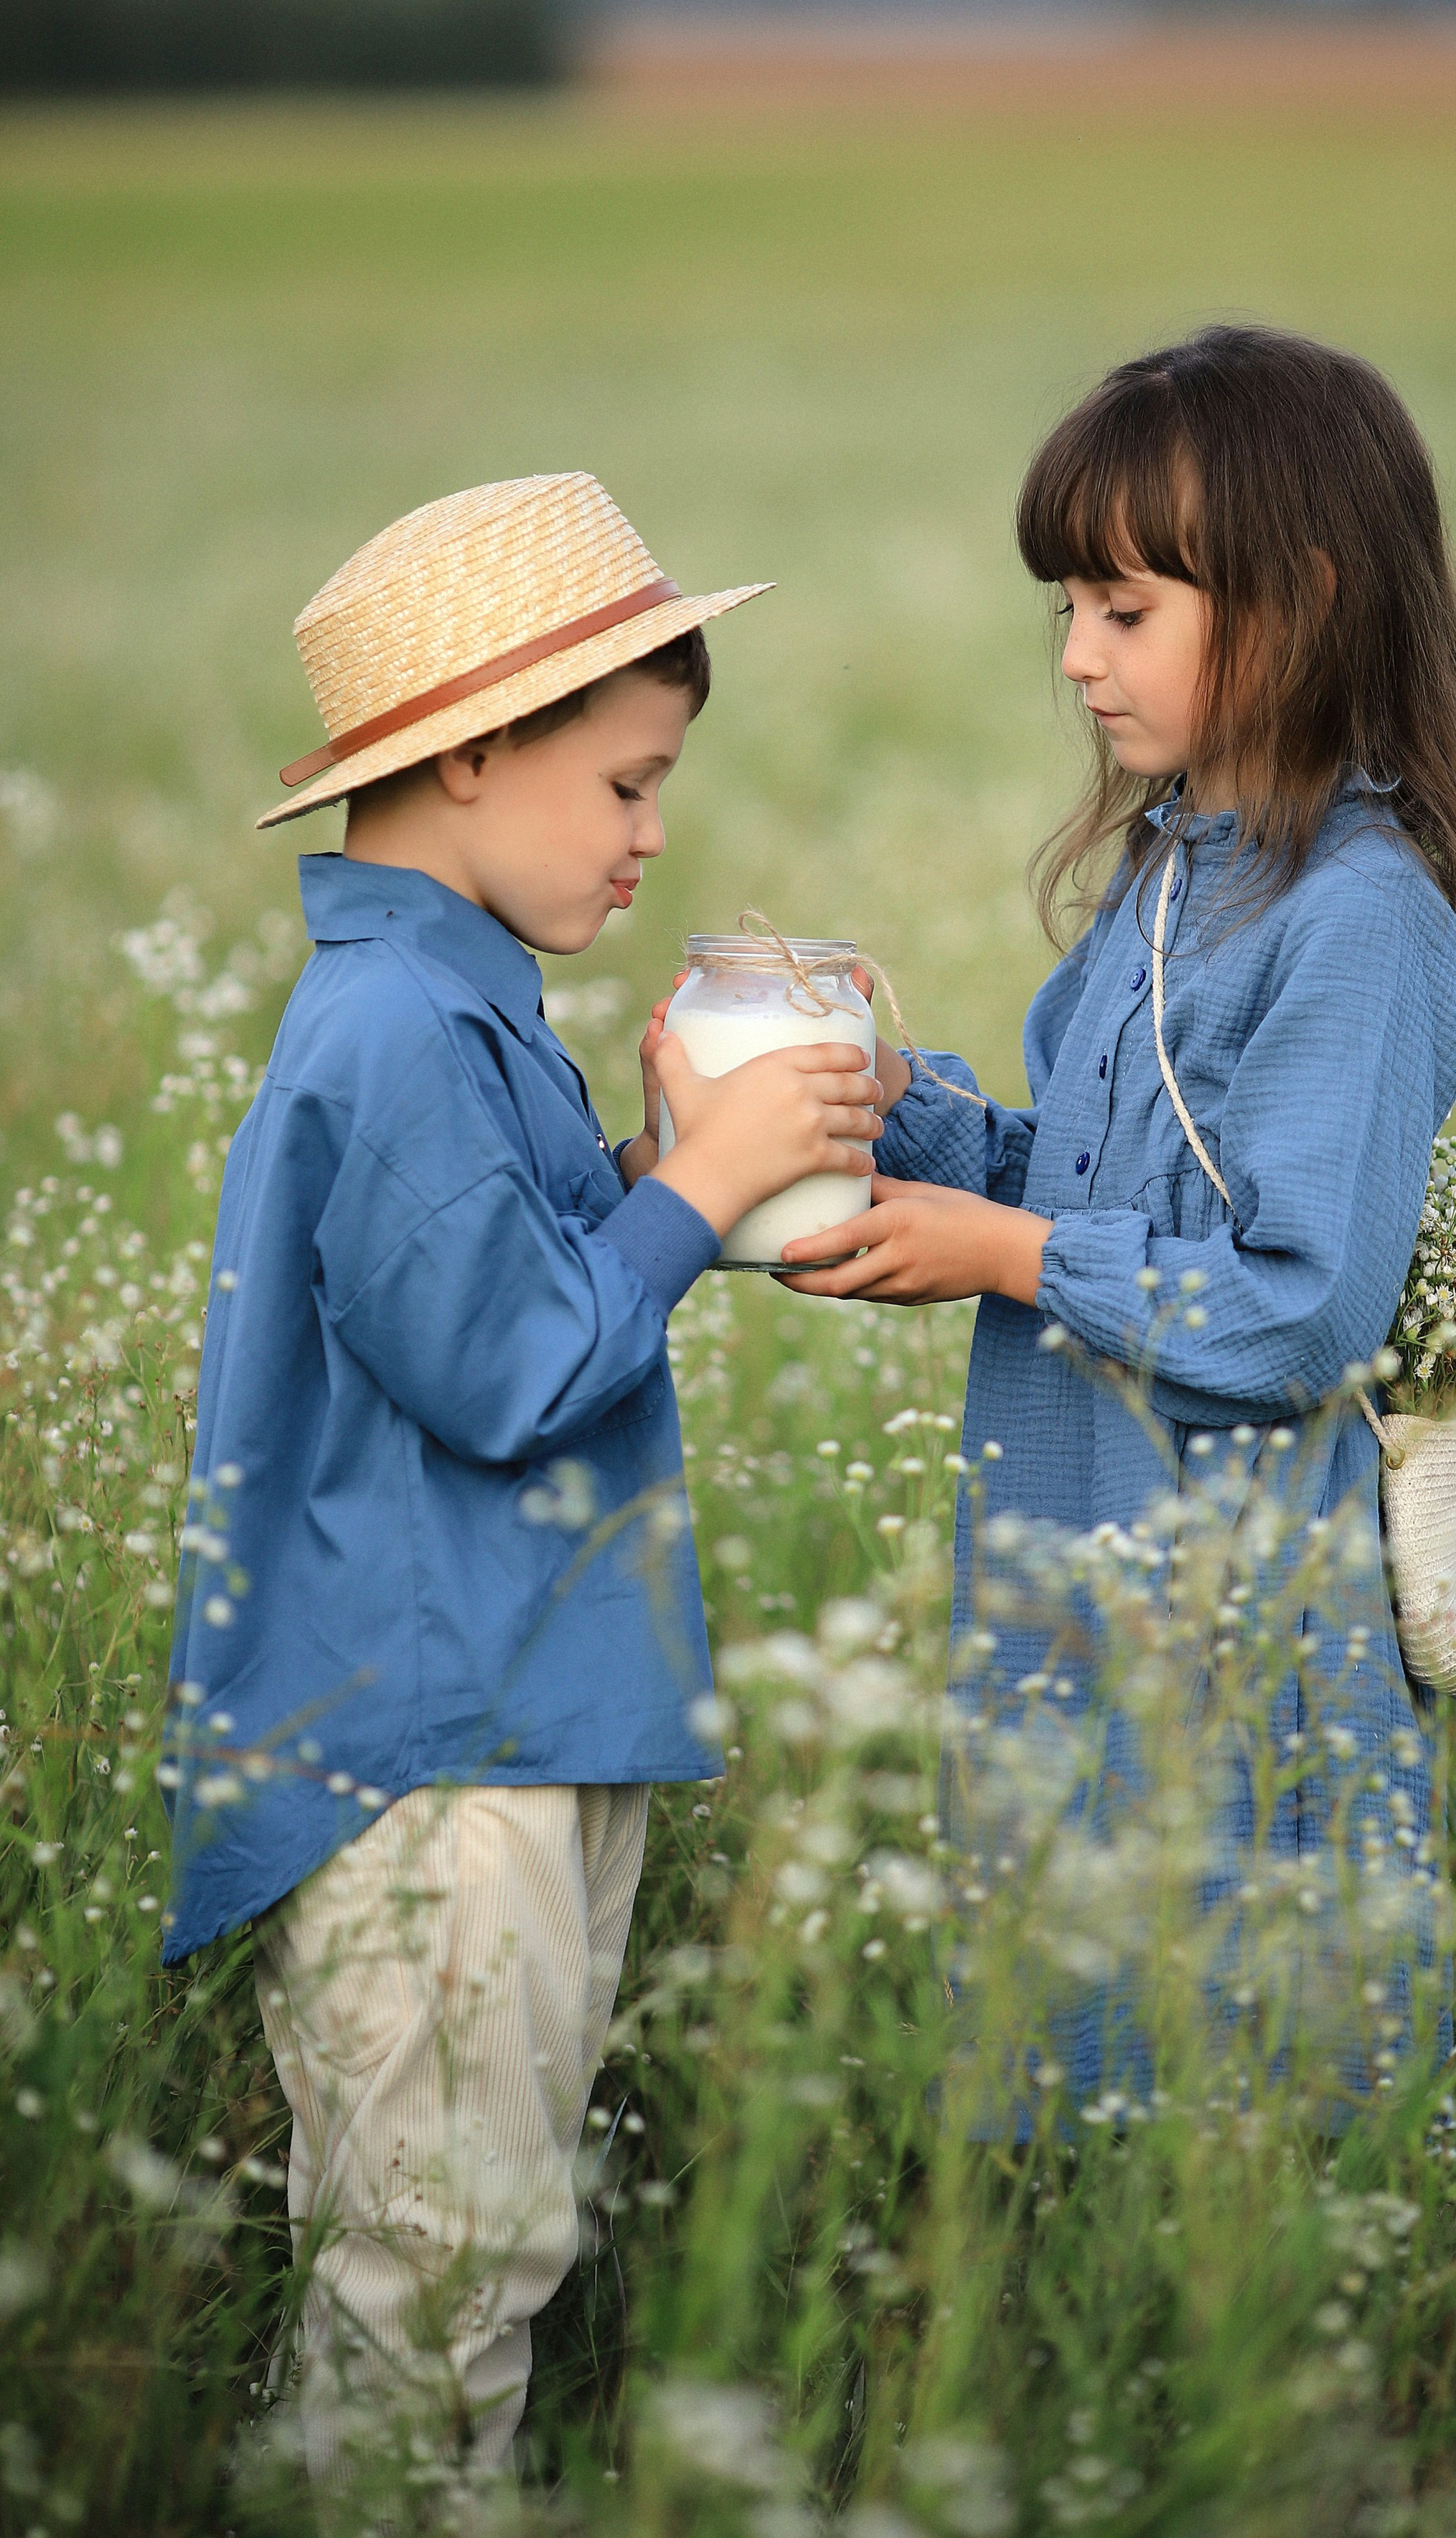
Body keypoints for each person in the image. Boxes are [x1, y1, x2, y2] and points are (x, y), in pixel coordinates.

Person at [159, 472, 883, 2483]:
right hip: (434, 1745)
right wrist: (710, 1183)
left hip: (504, 1715)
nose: (659, 832)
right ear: (473, 754)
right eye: (630, 784)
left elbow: (504, 1292)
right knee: (433, 2271)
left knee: (483, 2245)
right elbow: (499, 1370)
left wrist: (673, 1173)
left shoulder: (458, 1003)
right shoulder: (394, 1024)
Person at [771, 327, 1456, 2097]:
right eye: (1065, 615)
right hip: (1077, 1584)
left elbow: (1297, 1304)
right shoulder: (1175, 862)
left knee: (1224, 2084)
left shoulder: (1358, 915)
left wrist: (1005, 1257)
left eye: (1124, 609)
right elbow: (1120, 1190)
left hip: (1226, 1614)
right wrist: (921, 1132)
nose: (1080, 664)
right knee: (1066, 2060)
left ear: (1301, 599)